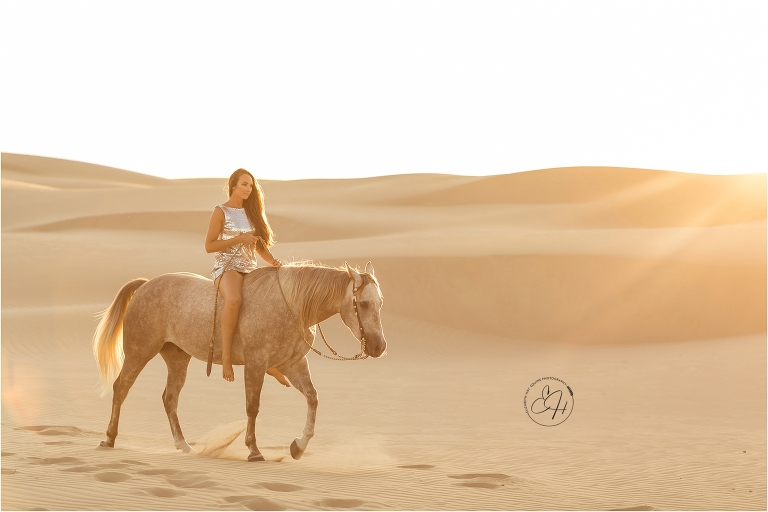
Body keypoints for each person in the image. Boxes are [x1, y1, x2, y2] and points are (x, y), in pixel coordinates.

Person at [204, 168, 290, 386]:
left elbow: (258, 247)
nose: (248, 189)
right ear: (233, 185)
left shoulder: (253, 213)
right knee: (234, 301)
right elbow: (209, 246)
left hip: (250, 270)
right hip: (227, 268)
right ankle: (226, 359)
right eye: (244, 184)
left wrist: (273, 262)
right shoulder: (220, 211)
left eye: (251, 186)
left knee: (265, 308)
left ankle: (269, 364)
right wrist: (238, 239)